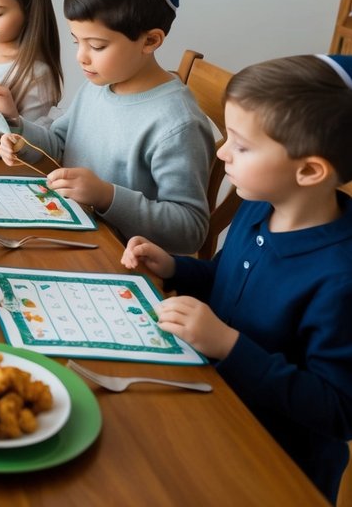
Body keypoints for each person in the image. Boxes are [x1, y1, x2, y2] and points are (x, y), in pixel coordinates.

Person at [121, 54, 352, 503]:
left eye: (241, 146)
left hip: (273, 466)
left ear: (308, 171)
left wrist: (229, 345)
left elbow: (338, 411)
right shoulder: (260, 203)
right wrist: (175, 268)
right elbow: (226, 280)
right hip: (210, 407)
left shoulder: (341, 277)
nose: (222, 151)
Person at [0, 0, 214, 253]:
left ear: (150, 41)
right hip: (73, 235)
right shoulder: (98, 86)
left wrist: (107, 196)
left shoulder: (177, 124)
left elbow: (190, 231)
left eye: (97, 46)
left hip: (119, 261)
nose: (81, 57)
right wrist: (20, 131)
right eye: (76, 41)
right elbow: (60, 144)